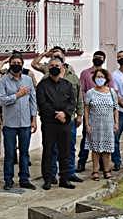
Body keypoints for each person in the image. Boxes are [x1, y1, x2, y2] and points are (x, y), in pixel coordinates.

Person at [32, 47, 84, 184]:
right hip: (49, 123)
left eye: (57, 66)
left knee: (65, 151)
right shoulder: (43, 85)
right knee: (48, 152)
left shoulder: (68, 84)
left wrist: (65, 114)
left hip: (65, 122)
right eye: (52, 66)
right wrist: (56, 114)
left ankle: (65, 179)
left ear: (62, 68)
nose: (55, 67)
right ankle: (48, 179)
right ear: (49, 68)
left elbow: (72, 101)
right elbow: (42, 104)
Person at [0, 53, 37, 191]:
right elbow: (2, 100)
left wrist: (34, 119)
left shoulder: (27, 79)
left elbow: (33, 100)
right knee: (10, 153)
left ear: (22, 64)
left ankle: (24, 179)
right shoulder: (3, 80)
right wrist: (17, 95)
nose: (16, 65)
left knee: (25, 153)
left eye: (18, 62)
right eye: (13, 62)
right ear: (9, 64)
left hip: (25, 122)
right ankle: (8, 180)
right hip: (10, 123)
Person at [77, 51, 113, 172]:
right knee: (87, 138)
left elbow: (112, 91)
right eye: (96, 57)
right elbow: (81, 90)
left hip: (105, 114)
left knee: (104, 139)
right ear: (93, 58)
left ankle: (103, 165)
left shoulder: (107, 74)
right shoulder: (85, 73)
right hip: (90, 111)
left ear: (104, 60)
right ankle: (82, 161)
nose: (98, 59)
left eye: (100, 58)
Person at [84, 68, 119, 180]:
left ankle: (106, 170)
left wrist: (116, 123)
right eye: (98, 77)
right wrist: (87, 124)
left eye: (102, 77)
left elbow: (115, 108)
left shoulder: (112, 92)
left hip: (108, 125)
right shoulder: (90, 93)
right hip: (95, 124)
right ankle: (95, 171)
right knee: (96, 149)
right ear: (94, 79)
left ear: (106, 79)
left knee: (107, 149)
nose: (100, 79)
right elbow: (86, 109)